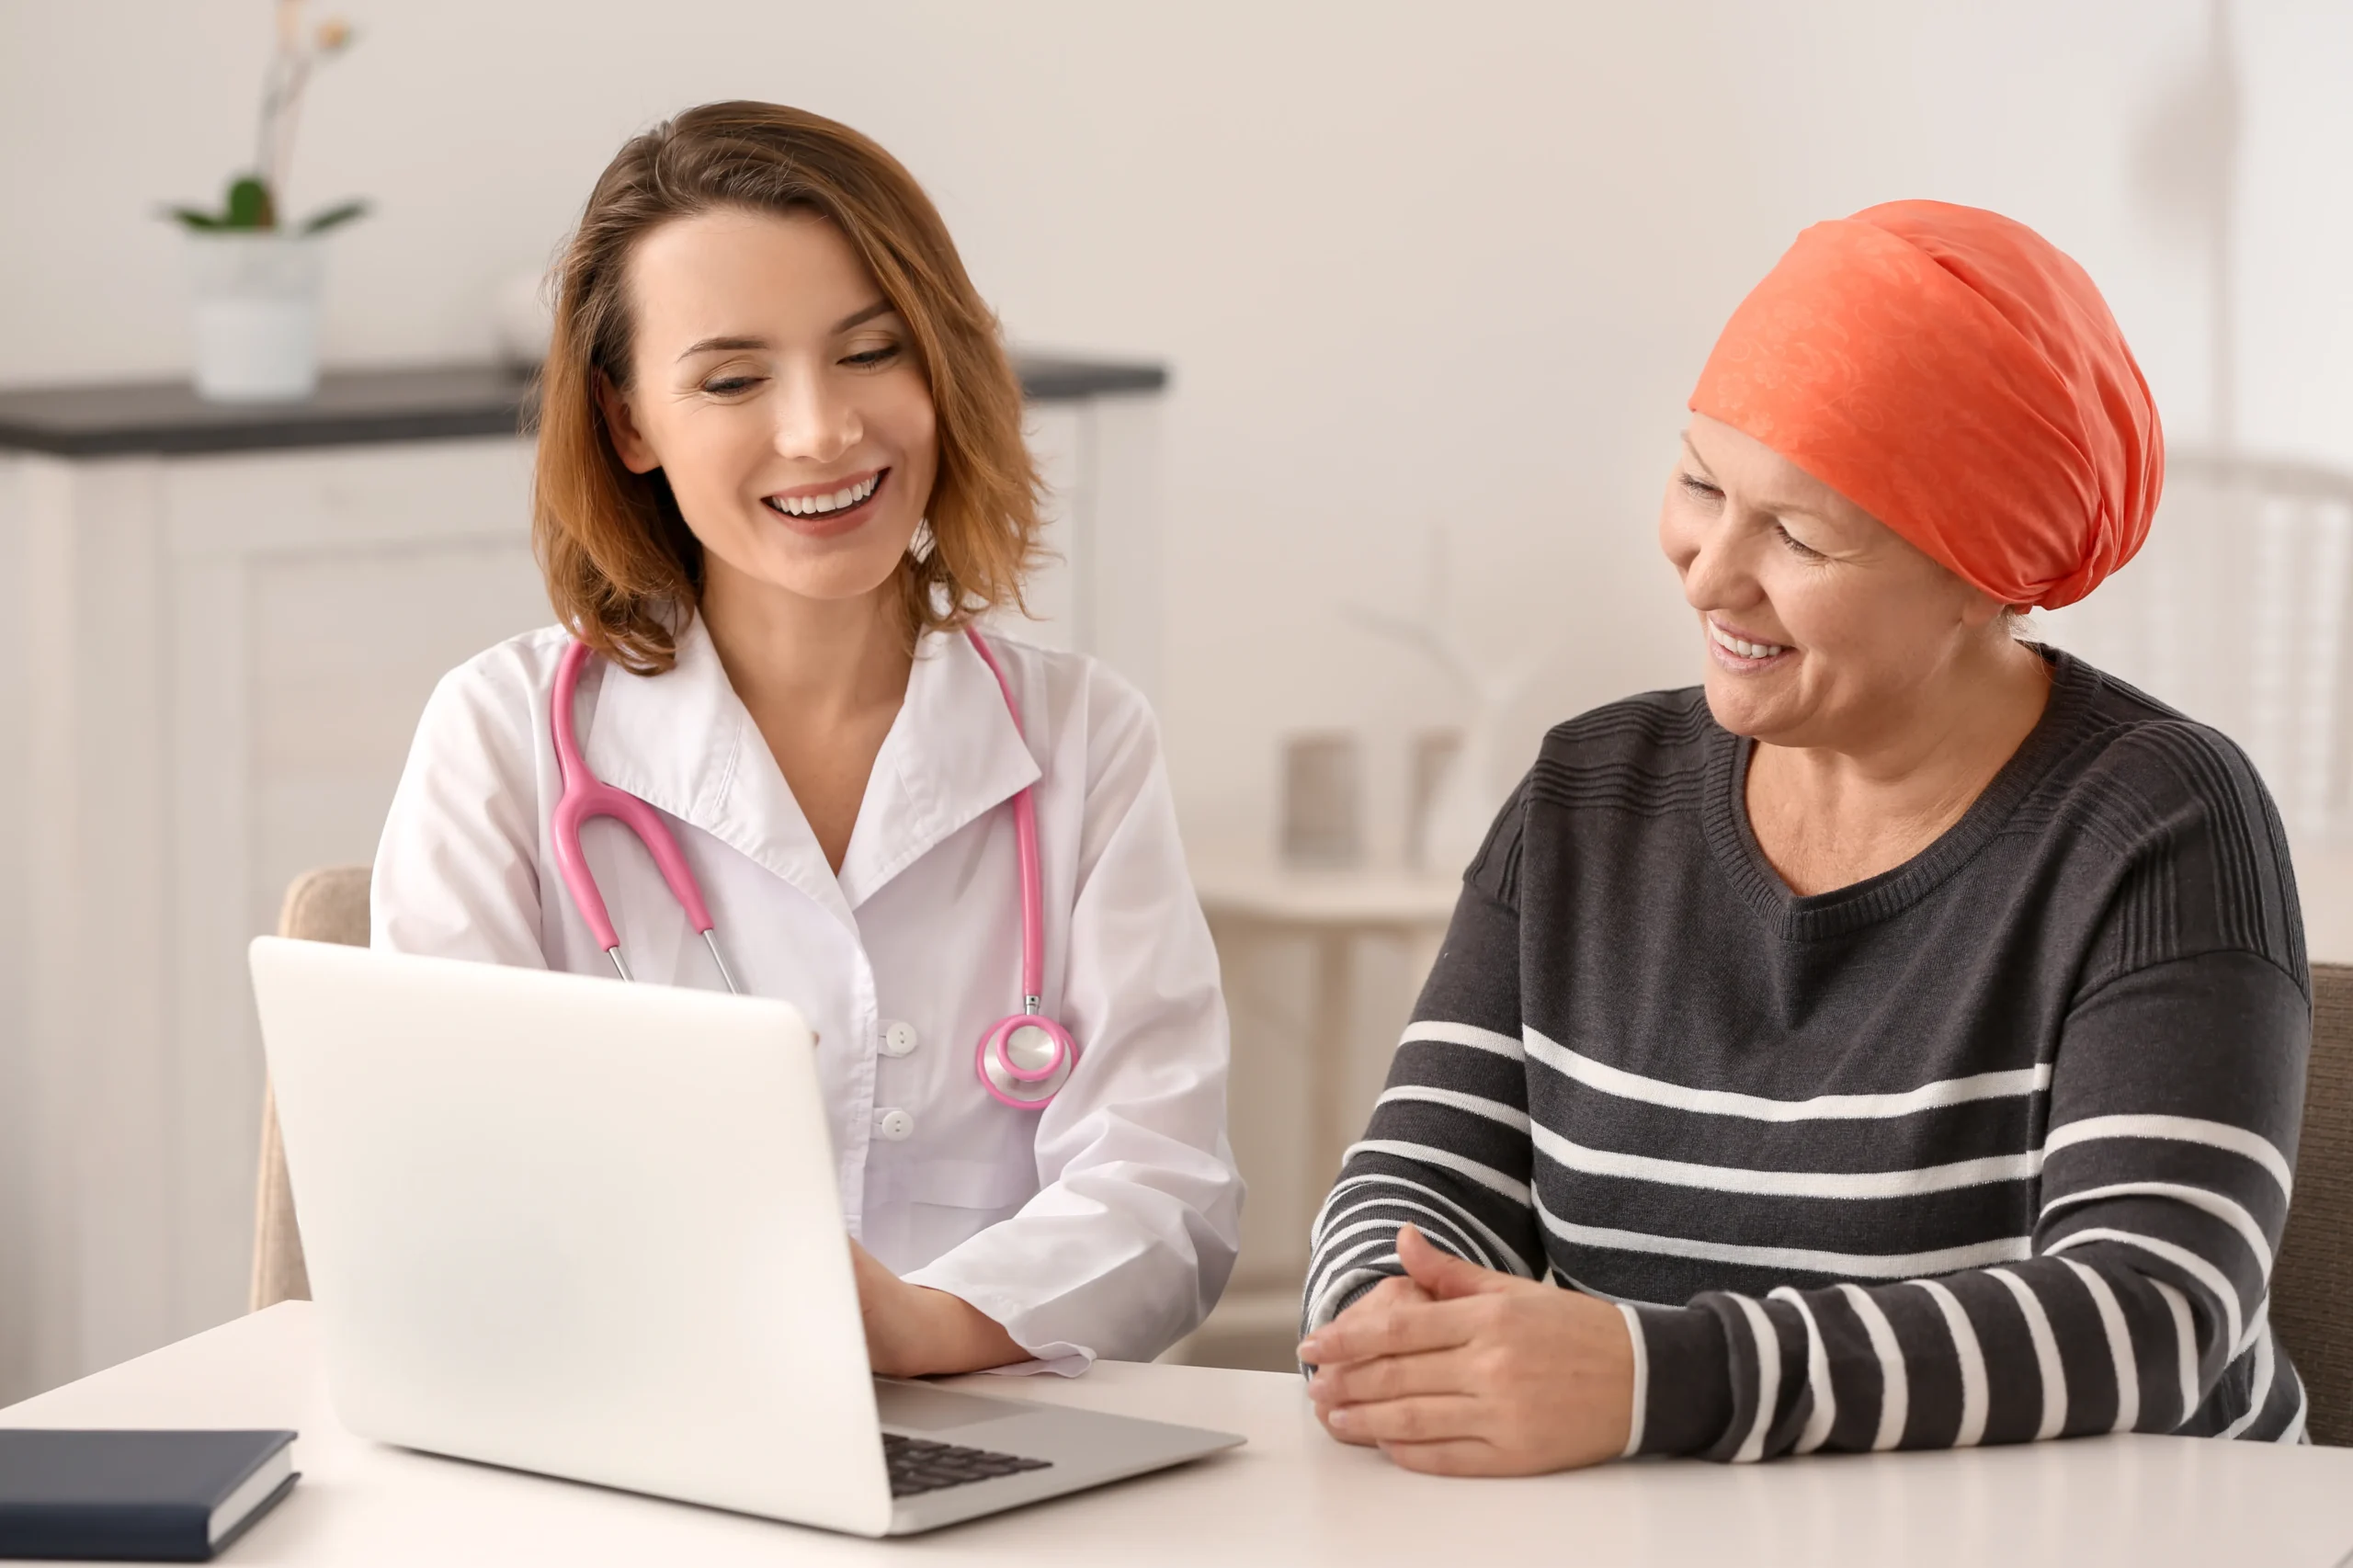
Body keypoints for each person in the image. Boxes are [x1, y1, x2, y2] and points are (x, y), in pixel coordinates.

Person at [1297, 200, 2309, 1471]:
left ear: (1980, 576)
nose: (1710, 574)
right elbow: (1418, 1180)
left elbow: (2146, 1311)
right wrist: (1383, 1326)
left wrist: (1655, 1379)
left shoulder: (2160, 821)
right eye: (1701, 484)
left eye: (1798, 533)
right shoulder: (1588, 793)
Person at [372, 101, 1240, 1378]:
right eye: (732, 379)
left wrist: (916, 1329)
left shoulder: (1085, 742)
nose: (821, 430)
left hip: (990, 1439)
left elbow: (1163, 1191)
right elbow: (446, 1175)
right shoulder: (501, 738)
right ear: (628, 425)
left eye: (870, 352)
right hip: (629, 1441)